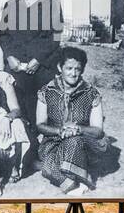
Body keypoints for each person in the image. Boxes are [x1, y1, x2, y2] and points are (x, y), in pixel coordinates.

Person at [0, 0, 62, 164]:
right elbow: (4, 35)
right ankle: (19, 152)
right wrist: (10, 57)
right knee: (17, 106)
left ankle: (37, 153)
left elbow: (55, 38)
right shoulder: (12, 4)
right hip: (16, 65)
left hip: (41, 66)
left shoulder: (52, 4)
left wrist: (37, 60)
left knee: (40, 109)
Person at [36, 47, 109, 194]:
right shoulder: (47, 91)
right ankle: (73, 182)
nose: (73, 73)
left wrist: (78, 129)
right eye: (69, 68)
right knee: (47, 168)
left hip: (83, 143)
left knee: (73, 142)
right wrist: (59, 130)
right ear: (59, 67)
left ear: (82, 70)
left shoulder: (91, 93)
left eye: (78, 69)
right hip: (53, 141)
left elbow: (97, 130)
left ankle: (78, 178)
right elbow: (40, 125)